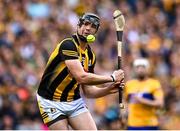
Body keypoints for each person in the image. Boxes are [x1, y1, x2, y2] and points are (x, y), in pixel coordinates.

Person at [36, 12, 124, 130]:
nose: (88, 28)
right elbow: (81, 77)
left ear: (96, 32)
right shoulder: (68, 45)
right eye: (85, 24)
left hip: (74, 101)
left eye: (93, 26)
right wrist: (112, 78)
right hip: (50, 101)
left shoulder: (90, 56)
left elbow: (88, 91)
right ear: (78, 26)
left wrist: (108, 89)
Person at [124, 58, 164, 130]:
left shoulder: (154, 84)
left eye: (143, 67)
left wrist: (142, 100)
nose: (140, 69)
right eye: (138, 67)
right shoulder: (129, 84)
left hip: (149, 123)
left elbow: (160, 103)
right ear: (134, 69)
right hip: (133, 124)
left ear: (147, 69)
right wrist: (124, 113)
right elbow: (126, 101)